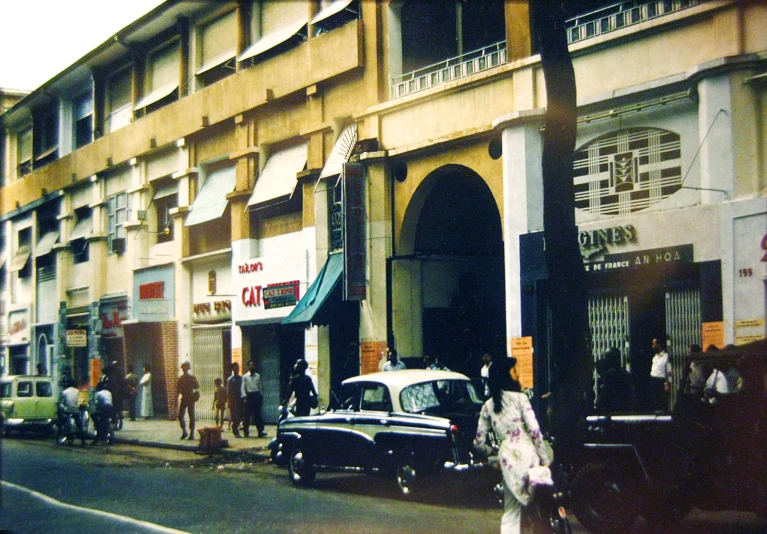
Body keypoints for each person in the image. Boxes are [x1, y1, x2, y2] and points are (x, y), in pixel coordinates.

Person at [474, 357, 550, 534]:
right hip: (530, 457)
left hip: (508, 460)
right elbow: (535, 431)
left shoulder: (487, 406)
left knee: (512, 511)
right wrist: (545, 459)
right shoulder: (521, 398)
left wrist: (493, 452)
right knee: (541, 503)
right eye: (514, 370)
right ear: (505, 375)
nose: (518, 373)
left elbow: (478, 442)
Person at [595, 347, 634, 414]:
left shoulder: (610, 375)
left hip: (613, 409)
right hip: (624, 409)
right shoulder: (625, 373)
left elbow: (604, 396)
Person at [241, 359, 267, 438]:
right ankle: (246, 432)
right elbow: (243, 387)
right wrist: (244, 397)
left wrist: (261, 396)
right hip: (249, 396)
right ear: (248, 367)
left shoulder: (258, 376)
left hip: (256, 396)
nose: (252, 366)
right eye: (250, 365)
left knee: (257, 415)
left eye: (253, 365)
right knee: (247, 415)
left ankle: (260, 431)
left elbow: (260, 387)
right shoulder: (245, 377)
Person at [178, 361, 200, 440]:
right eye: (184, 367)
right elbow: (178, 389)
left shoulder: (192, 378)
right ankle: (184, 431)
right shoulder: (180, 379)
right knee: (180, 416)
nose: (185, 369)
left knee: (191, 416)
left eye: (186, 367)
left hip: (190, 398)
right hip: (184, 398)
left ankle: (192, 433)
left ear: (189, 368)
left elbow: (197, 386)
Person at [649, 338, 672, 411]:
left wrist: (666, 383)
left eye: (654, 344)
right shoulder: (655, 357)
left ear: (659, 345)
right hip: (653, 380)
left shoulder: (666, 356)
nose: (653, 346)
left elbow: (668, 371)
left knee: (661, 401)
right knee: (654, 400)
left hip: (661, 381)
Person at [92, 380, 114, 445]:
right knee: (106, 420)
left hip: (104, 408)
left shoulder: (98, 394)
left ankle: (98, 427)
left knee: (93, 415)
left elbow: (97, 404)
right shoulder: (109, 392)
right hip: (111, 408)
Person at [227, 362, 244, 438]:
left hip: (240, 399)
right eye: (235, 368)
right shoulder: (230, 379)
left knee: (240, 415)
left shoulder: (241, 378)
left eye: (238, 367)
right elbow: (228, 392)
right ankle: (235, 431)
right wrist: (229, 401)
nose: (237, 369)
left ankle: (235, 427)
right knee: (235, 417)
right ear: (232, 369)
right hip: (233, 400)